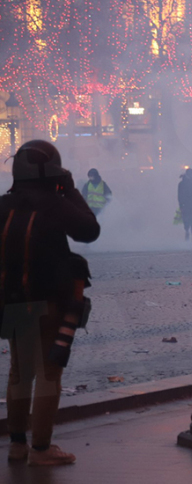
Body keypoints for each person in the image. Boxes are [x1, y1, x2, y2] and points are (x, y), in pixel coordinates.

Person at [1, 140, 100, 466]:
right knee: (48, 373)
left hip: (12, 301)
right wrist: (69, 190)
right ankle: (41, 450)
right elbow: (89, 230)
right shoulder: (54, 205)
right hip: (50, 303)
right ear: (52, 172)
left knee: (19, 373)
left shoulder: (3, 205)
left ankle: (17, 446)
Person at [177, 168, 192, 241]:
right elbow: (180, 196)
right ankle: (188, 235)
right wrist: (181, 206)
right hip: (185, 205)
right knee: (187, 221)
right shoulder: (182, 184)